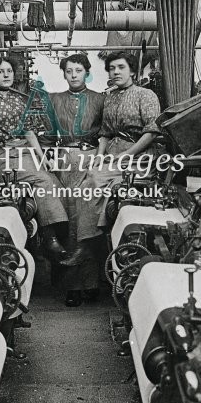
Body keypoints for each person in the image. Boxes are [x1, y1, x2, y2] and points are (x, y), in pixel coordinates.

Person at [61, 52, 161, 266]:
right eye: (112, 68)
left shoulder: (146, 95)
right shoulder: (111, 97)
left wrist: (128, 154)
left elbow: (152, 132)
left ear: (132, 71)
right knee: (85, 183)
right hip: (112, 153)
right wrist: (99, 156)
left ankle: (87, 246)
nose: (115, 72)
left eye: (121, 67)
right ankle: (90, 243)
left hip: (139, 155)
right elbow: (105, 133)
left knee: (96, 183)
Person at [0, 56, 69, 258]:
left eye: (9, 71)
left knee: (56, 183)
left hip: (24, 152)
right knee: (42, 181)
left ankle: (48, 237)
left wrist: (43, 158)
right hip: (1, 155)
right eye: (0, 72)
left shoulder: (19, 100)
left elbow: (29, 132)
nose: (6, 75)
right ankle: (49, 238)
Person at [41, 54, 105, 307]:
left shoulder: (101, 99)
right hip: (64, 161)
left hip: (92, 161)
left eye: (79, 70)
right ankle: (72, 286)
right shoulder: (54, 100)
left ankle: (92, 283)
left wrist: (101, 160)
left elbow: (106, 134)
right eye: (69, 71)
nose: (74, 75)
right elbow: (46, 136)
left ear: (87, 72)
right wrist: (46, 159)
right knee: (69, 220)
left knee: (90, 220)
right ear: (64, 74)